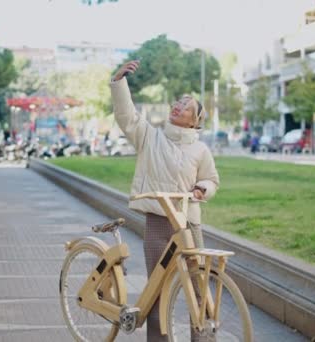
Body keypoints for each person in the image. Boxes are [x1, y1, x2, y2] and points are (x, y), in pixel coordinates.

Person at [111, 60, 219, 341]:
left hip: (188, 225)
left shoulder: (200, 149)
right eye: (178, 102)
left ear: (195, 121)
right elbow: (127, 117)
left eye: (186, 106)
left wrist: (202, 190)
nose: (179, 106)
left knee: (199, 291)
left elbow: (211, 180)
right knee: (158, 291)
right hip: (158, 224)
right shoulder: (150, 137)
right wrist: (119, 82)